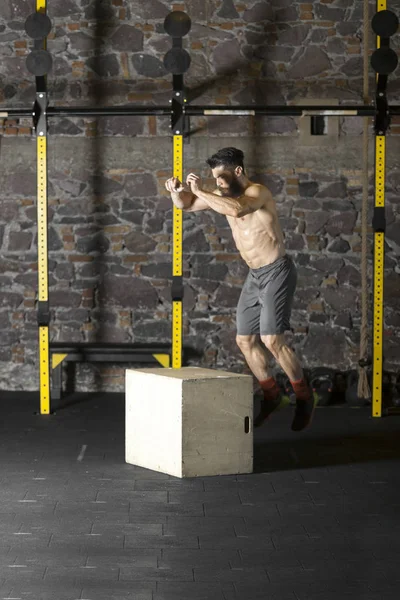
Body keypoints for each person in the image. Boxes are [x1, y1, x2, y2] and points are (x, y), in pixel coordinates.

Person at [165, 147, 314, 432]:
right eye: (214, 179)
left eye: (221, 178)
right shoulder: (221, 196)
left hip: (277, 271)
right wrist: (175, 190)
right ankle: (272, 396)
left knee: (272, 340)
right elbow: (184, 205)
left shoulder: (259, 192)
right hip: (255, 275)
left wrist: (201, 189)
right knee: (244, 340)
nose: (218, 183)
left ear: (237, 172)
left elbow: (238, 208)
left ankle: (305, 397)